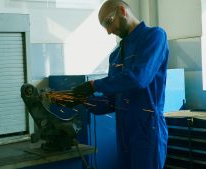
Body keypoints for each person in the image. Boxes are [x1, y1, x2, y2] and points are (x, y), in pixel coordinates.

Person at [71, 0, 169, 169]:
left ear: (123, 11)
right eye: (105, 27)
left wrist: (94, 85)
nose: (109, 31)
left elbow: (139, 79)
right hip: (124, 132)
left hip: (147, 130)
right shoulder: (115, 56)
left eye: (109, 22)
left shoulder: (154, 37)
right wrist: (81, 100)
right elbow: (110, 102)